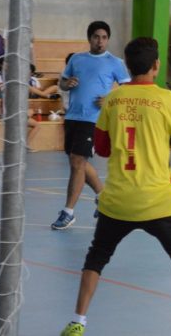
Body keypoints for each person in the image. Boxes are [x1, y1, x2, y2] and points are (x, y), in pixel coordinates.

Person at [59, 37, 171, 336]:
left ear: (127, 65)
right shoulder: (167, 99)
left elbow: (101, 149)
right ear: (156, 65)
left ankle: (78, 321)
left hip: (117, 201)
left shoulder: (112, 99)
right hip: (158, 201)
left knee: (97, 256)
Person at [51, 21, 131, 230]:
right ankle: (104, 198)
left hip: (94, 121)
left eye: (104, 37)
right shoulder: (77, 59)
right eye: (96, 37)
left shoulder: (115, 62)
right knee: (77, 162)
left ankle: (68, 212)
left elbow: (128, 90)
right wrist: (66, 84)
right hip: (72, 117)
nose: (100, 41)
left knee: (78, 161)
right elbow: (62, 82)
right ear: (89, 38)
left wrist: (110, 99)